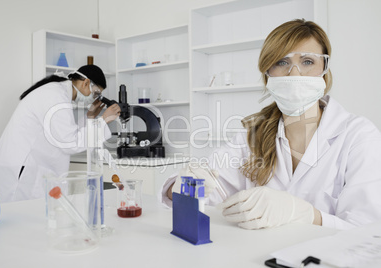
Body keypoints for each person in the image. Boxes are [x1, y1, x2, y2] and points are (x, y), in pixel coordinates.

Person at [161, 19, 381, 230]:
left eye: (307, 61)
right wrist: (182, 187)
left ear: (325, 69)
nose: (294, 73)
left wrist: (306, 214)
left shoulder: (359, 136)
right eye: (282, 62)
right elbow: (209, 193)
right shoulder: (252, 136)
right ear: (267, 74)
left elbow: (367, 228)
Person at [0, 65, 121, 202]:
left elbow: (66, 132)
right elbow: (69, 143)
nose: (94, 98)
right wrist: (104, 120)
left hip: (29, 167)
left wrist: (90, 117)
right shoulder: (55, 97)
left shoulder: (57, 92)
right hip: (23, 172)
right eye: (95, 93)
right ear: (86, 83)